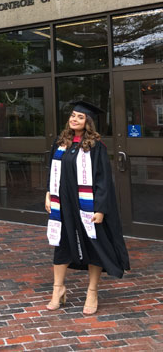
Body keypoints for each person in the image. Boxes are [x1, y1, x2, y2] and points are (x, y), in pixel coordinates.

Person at [45, 100, 130, 315]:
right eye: (73, 115)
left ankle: (92, 291)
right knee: (62, 244)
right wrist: (48, 193)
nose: (74, 119)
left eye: (80, 117)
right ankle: (58, 289)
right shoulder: (60, 142)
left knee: (94, 245)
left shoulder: (95, 146)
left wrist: (100, 209)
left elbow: (103, 181)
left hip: (87, 206)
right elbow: (52, 171)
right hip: (62, 203)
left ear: (88, 122)